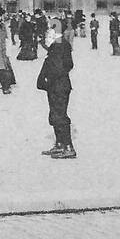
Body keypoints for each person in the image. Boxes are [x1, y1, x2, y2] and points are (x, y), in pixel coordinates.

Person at [38, 21, 75, 159]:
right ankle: (60, 144)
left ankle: (68, 147)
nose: (48, 31)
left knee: (60, 116)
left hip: (60, 86)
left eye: (50, 29)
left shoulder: (61, 45)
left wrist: (52, 76)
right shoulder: (56, 45)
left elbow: (67, 65)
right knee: (55, 115)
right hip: (54, 86)